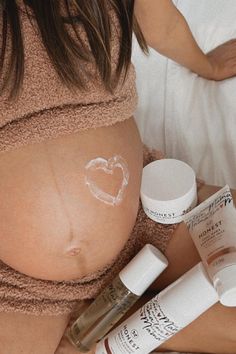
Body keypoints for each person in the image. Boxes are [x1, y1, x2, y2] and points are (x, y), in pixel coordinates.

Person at [0, 1, 235, 353]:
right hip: (21, 286)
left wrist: (208, 64)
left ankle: (123, 322)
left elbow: (162, 25)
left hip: (149, 222)